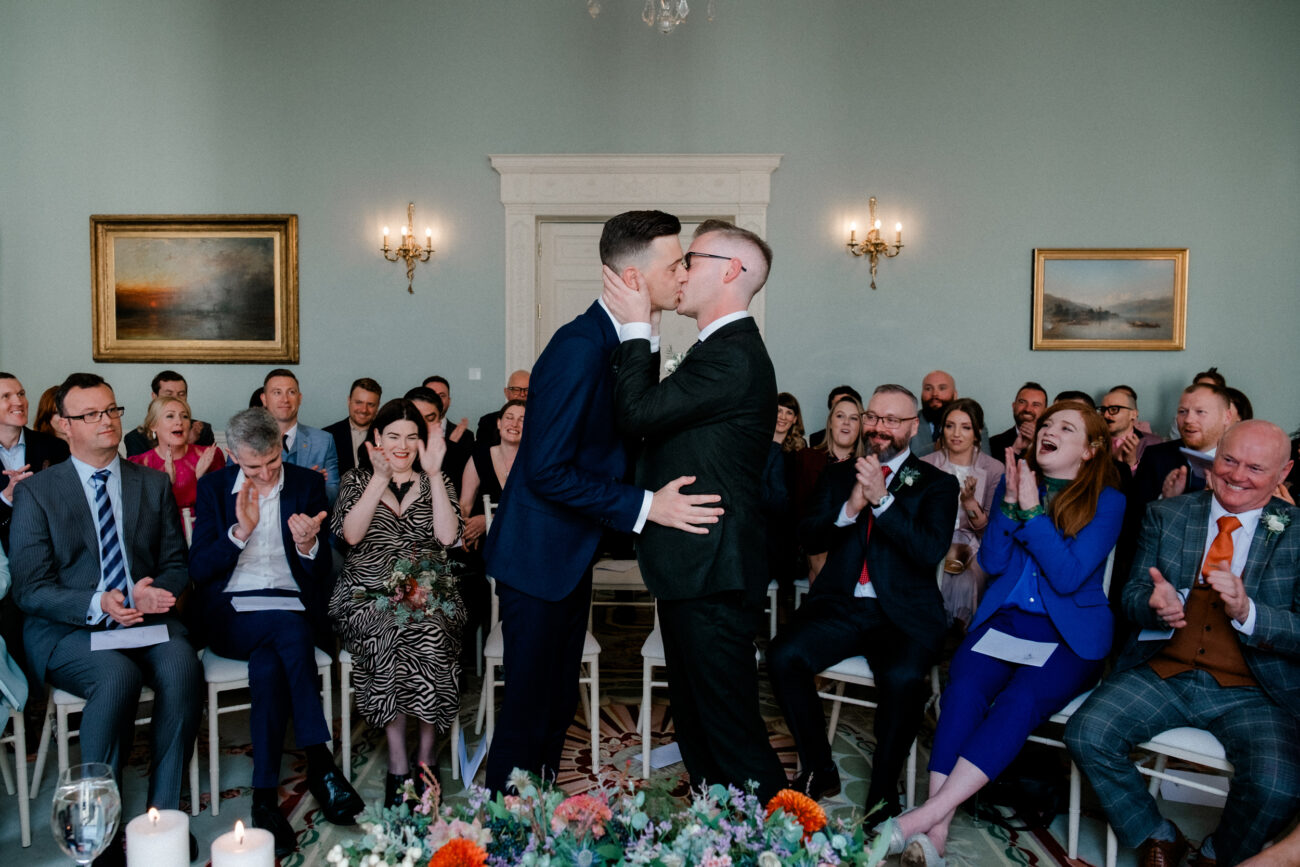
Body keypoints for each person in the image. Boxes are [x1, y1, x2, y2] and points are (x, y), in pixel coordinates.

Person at [482, 210, 721, 792]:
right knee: (526, 718)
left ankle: (533, 822)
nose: (685, 272)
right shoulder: (578, 348)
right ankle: (495, 832)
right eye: (676, 263)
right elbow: (546, 472)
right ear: (635, 278)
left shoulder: (618, 342)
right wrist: (646, 506)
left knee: (556, 707)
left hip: (566, 558)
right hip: (537, 560)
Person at [890, 400, 1123, 864]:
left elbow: (1068, 576)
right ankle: (937, 831)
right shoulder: (1013, 486)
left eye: (1066, 427)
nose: (1048, 430)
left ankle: (926, 816)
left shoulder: (1108, 501)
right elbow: (993, 563)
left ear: (1091, 450)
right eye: (1048, 423)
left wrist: (1034, 514)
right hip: (1006, 621)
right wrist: (1012, 506)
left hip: (1067, 634)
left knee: (1019, 701)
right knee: (962, 692)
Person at [603, 217, 787, 800]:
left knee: (732, 734)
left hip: (715, 569)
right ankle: (721, 835)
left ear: (732, 271)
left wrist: (637, 325)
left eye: (693, 259)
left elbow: (636, 413)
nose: (680, 271)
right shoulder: (717, 350)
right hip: (695, 565)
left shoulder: (732, 355)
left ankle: (780, 841)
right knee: (701, 727)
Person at [1066, 420, 1300, 867]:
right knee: (1088, 733)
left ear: (1283, 472)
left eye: (1255, 468)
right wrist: (1154, 606)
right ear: (1214, 459)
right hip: (1164, 671)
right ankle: (1158, 833)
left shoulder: (1297, 532)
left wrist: (1249, 612)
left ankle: (1217, 854)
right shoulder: (1168, 515)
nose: (1236, 475)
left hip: (1256, 690)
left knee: (1279, 784)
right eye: (1229, 460)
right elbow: (1131, 595)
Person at [9, 373, 201, 866]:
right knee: (116, 675)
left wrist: (157, 590)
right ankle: (99, 826)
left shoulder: (151, 482)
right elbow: (31, 588)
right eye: (90, 414)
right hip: (70, 628)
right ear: (62, 426)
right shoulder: (38, 493)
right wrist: (99, 602)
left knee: (182, 666)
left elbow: (176, 562)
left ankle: (164, 816)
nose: (105, 422)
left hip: (142, 618)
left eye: (111, 411)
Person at [767, 384, 957, 820]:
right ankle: (818, 766)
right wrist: (850, 509)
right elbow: (808, 536)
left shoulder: (937, 485)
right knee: (781, 656)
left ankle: (884, 787)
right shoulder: (837, 476)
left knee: (904, 676)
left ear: (913, 428)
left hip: (903, 614)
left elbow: (929, 550)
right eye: (874, 417)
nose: (879, 428)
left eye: (892, 420)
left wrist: (883, 501)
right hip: (840, 606)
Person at [188, 408, 362, 856]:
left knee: (270, 664)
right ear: (233, 456)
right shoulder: (211, 489)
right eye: (253, 467)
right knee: (289, 631)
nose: (265, 475)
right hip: (232, 615)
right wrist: (238, 534)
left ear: (280, 449)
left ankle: (264, 798)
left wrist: (309, 546)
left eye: (272, 463)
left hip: (289, 604)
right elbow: (199, 570)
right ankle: (321, 763)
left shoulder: (304, 483)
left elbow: (321, 571)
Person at [330, 399, 464, 808]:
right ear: (376, 440)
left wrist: (436, 474)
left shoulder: (436, 480)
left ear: (422, 443)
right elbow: (350, 536)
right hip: (367, 587)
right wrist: (379, 480)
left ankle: (425, 754)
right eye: (393, 436)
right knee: (387, 628)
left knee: (430, 629)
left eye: (411, 437)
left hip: (427, 584)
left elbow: (446, 537)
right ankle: (397, 761)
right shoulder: (356, 479)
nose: (402, 445)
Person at [920, 398, 1005, 627]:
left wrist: (969, 503)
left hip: (975, 544)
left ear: (977, 432)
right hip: (933, 540)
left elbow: (991, 530)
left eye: (965, 427)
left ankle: (960, 637)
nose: (956, 434)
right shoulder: (925, 464)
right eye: (949, 425)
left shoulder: (994, 468)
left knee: (964, 580)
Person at [793, 395, 864, 579]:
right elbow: (798, 511)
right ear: (830, 423)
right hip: (812, 541)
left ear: (860, 426)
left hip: (852, 542)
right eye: (840, 416)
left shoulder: (866, 466)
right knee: (819, 554)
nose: (846, 422)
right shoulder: (807, 458)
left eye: (854, 418)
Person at [0, 372, 70, 553]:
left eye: (21, 394)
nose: (19, 402)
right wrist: (5, 498)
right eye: (6, 396)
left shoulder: (56, 448)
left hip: (51, 550)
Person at [128, 395, 225, 516]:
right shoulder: (138, 464)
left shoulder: (210, 456)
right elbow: (141, 517)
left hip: (203, 530)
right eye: (170, 416)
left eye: (185, 416)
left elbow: (224, 507)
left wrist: (203, 479)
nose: (179, 422)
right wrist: (166, 485)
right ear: (153, 425)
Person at [261, 368, 340, 504]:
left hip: (310, 522)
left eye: (291, 392)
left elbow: (333, 496)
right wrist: (305, 482)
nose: (285, 399)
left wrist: (312, 485)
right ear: (264, 399)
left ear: (300, 398)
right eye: (277, 393)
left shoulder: (323, 441)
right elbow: (235, 493)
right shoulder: (245, 441)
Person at [460, 399, 524, 552]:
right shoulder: (480, 456)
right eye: (509, 417)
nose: (514, 424)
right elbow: (465, 504)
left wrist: (490, 519)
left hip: (523, 541)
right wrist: (464, 530)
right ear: (499, 423)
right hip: (484, 541)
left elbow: (535, 510)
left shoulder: (536, 462)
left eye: (522, 420)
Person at [763, 392, 805, 592]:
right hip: (761, 518)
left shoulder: (798, 451)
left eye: (789, 412)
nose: (783, 416)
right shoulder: (757, 445)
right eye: (779, 410)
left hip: (786, 521)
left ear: (795, 419)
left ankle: (784, 610)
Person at [123, 370, 215, 457]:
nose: (176, 399)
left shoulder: (202, 431)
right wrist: (187, 443)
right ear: (154, 397)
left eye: (181, 394)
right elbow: (144, 472)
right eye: (169, 394)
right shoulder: (135, 438)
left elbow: (213, 472)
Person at [323, 377, 382, 476]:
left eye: (370, 404)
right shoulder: (327, 435)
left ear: (378, 406)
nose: (364, 410)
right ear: (349, 400)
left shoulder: (387, 436)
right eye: (359, 402)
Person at [1100, 385, 1164, 474]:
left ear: (1133, 414)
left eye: (1114, 409)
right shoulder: (1092, 442)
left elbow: (1155, 484)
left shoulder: (1154, 443)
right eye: (1103, 410)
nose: (1106, 415)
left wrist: (1131, 464)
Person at [424, 375, 474, 486]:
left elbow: (466, 479)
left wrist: (451, 446)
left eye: (441, 396)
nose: (436, 400)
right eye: (431, 395)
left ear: (449, 401)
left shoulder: (465, 436)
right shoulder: (410, 433)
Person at [987, 381, 1049, 461]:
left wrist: (1038, 442)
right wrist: (1015, 450)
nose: (1028, 409)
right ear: (1013, 406)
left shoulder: (1054, 442)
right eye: (1022, 402)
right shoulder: (993, 444)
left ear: (1045, 411)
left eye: (1035, 405)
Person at [475, 369, 530, 447]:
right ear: (506, 392)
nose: (522, 394)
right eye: (516, 390)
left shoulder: (544, 422)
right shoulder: (488, 422)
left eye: (527, 390)